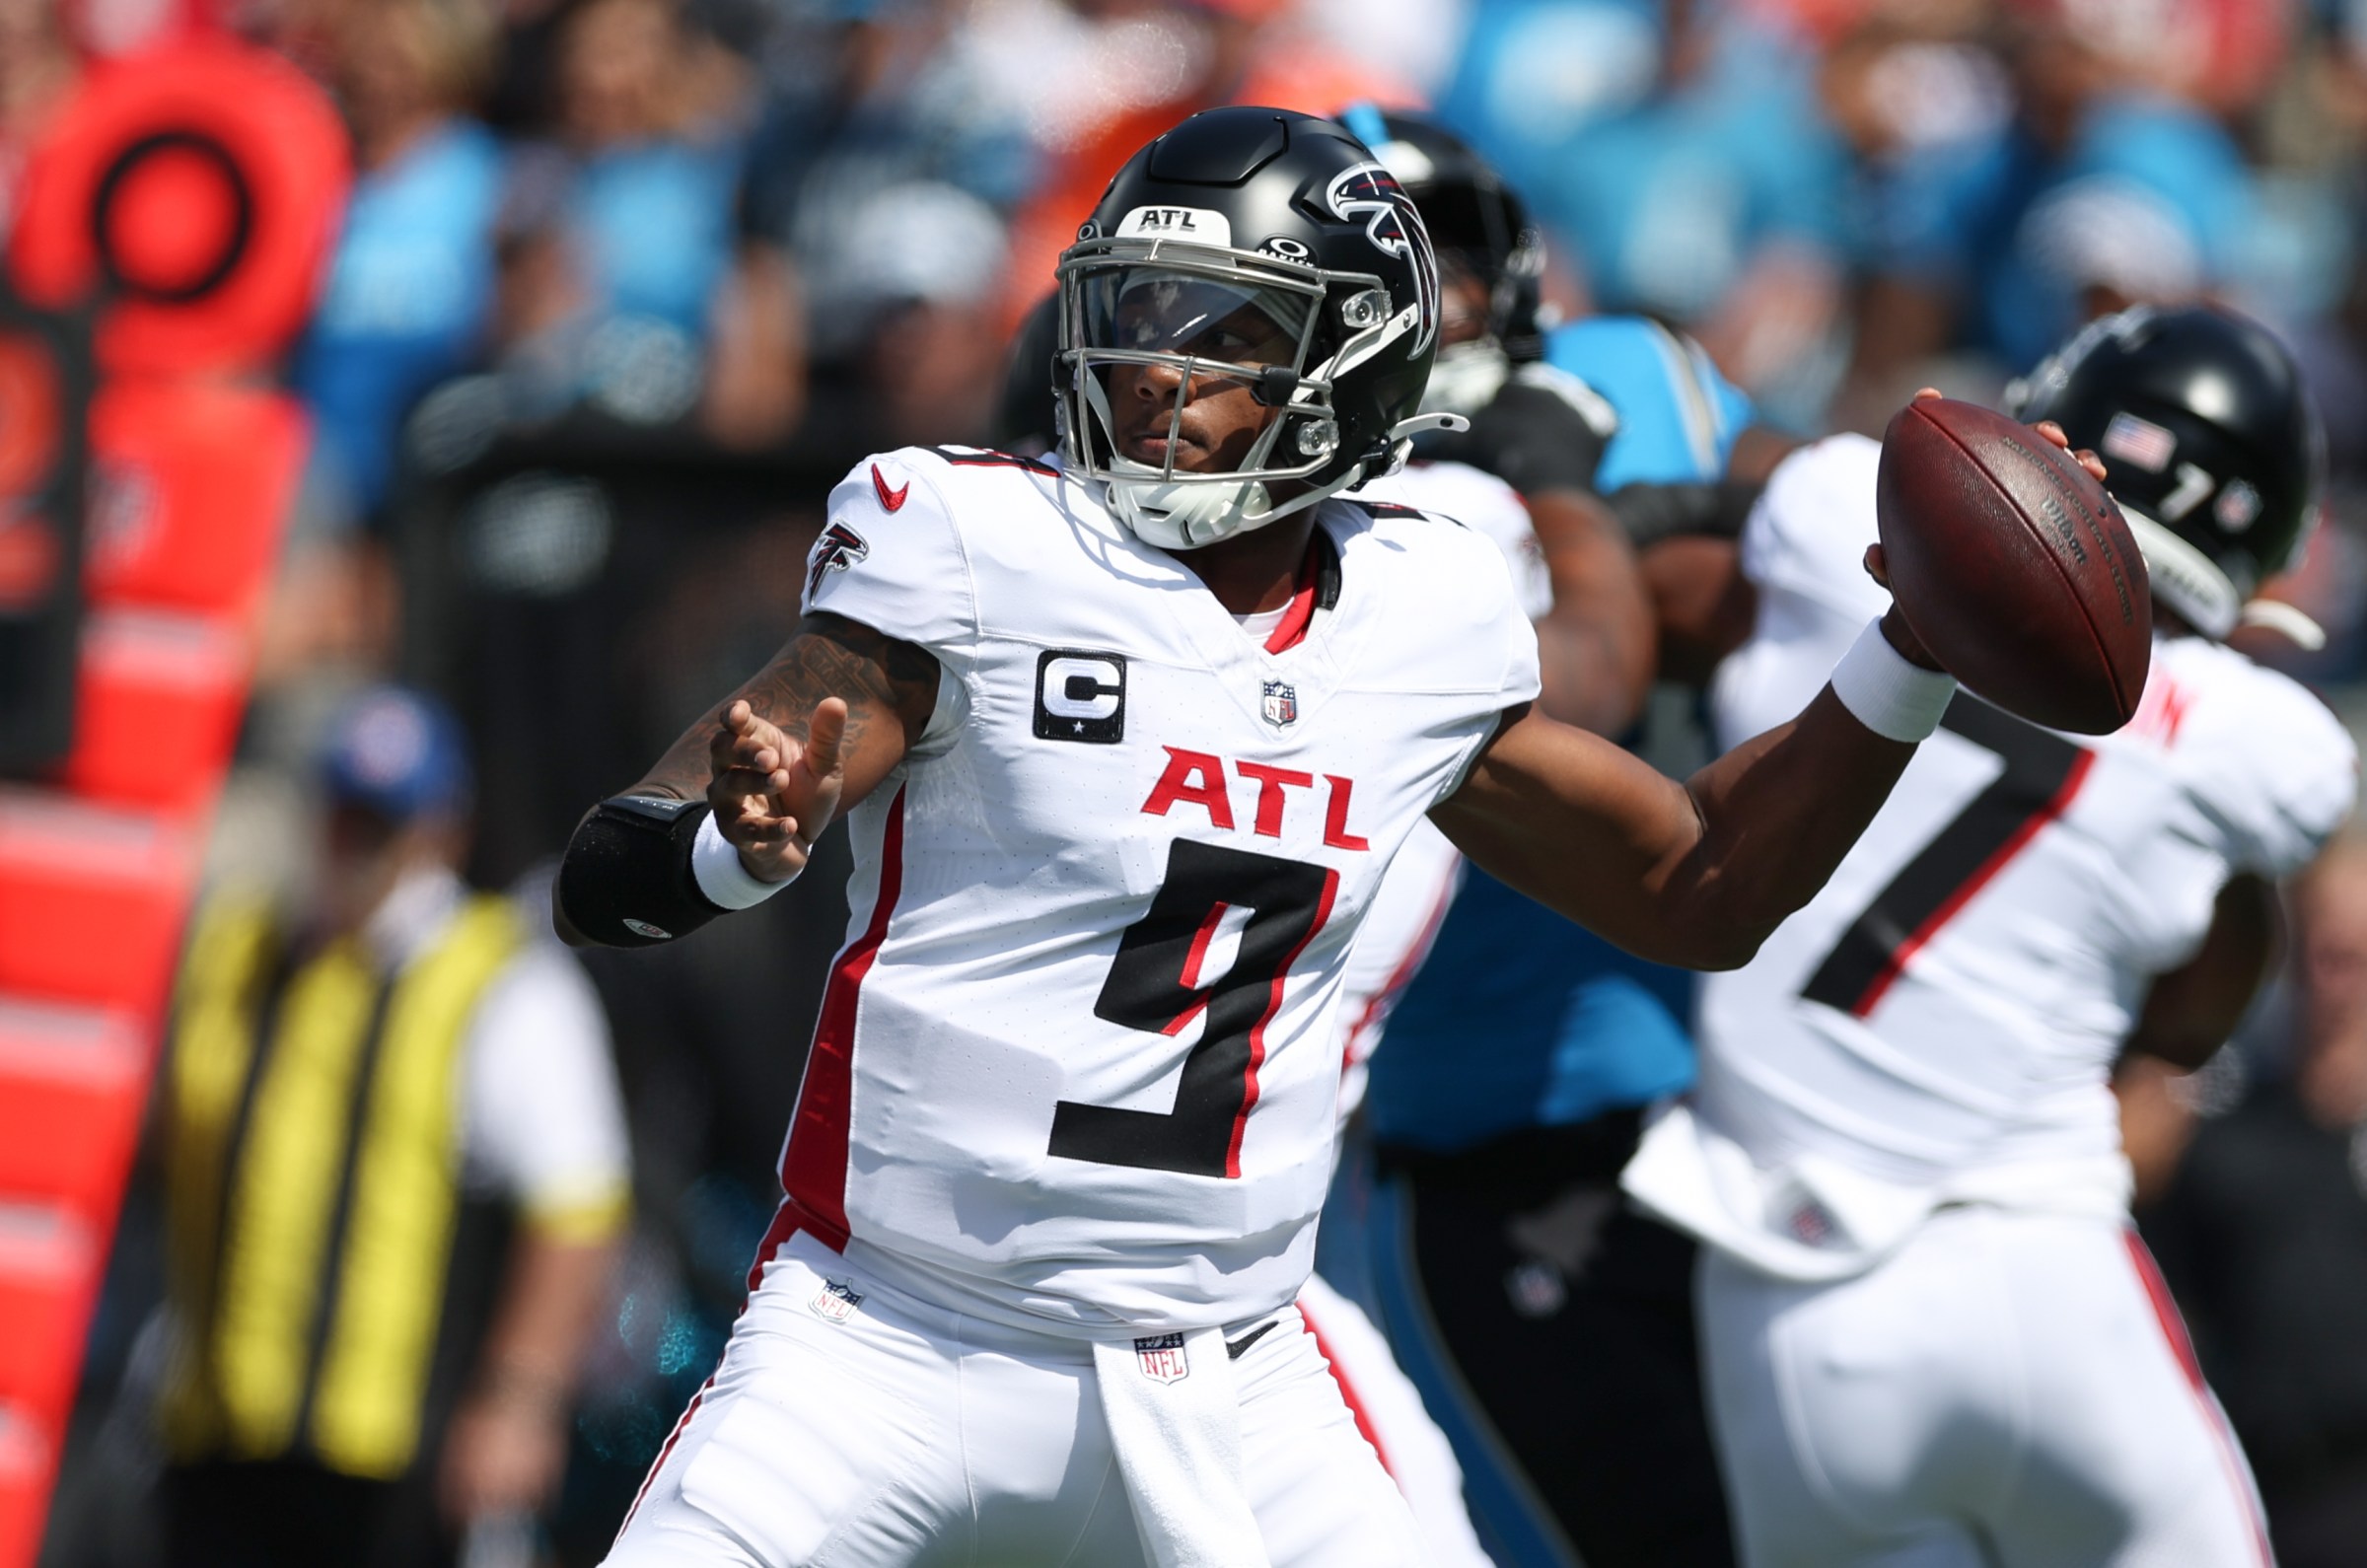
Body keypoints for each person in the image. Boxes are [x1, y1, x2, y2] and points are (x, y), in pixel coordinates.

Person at [555, 107, 2058, 1567]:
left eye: (1221, 328)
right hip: (884, 1336)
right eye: (1136, 312)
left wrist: (1911, 648)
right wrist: (723, 850)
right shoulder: (970, 544)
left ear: (1353, 363)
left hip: (1228, 1372)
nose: (1153, 369)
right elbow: (615, 871)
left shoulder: (1423, 613)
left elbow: (1699, 884)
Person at [1624, 304, 2356, 1566]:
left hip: (1789, 1299)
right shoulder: (2268, 747)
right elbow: (2195, 1002)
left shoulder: (1835, 504)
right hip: (2044, 1266)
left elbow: (1761, 495)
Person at [1339, 106, 1748, 1568]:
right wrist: (1573, 503)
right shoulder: (1301, 483)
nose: (1422, 293)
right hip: (1486, 1134)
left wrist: (1653, 513)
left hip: (1728, 1098)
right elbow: (1587, 676)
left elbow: (1766, 559)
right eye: (1374, 253)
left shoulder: (1625, 370)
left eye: (1441, 252)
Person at [156, 686, 632, 1568]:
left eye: (378, 824)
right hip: (218, 1427)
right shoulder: (243, 946)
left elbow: (577, 1211)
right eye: (341, 815)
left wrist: (518, 1401)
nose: (351, 846)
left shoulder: (499, 980)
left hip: (399, 1453)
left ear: (438, 834)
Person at [2140, 837, 2367, 1568]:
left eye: (2359, 960)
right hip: (2272, 1497)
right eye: (2325, 958)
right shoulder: (2220, 1136)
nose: (2341, 985)